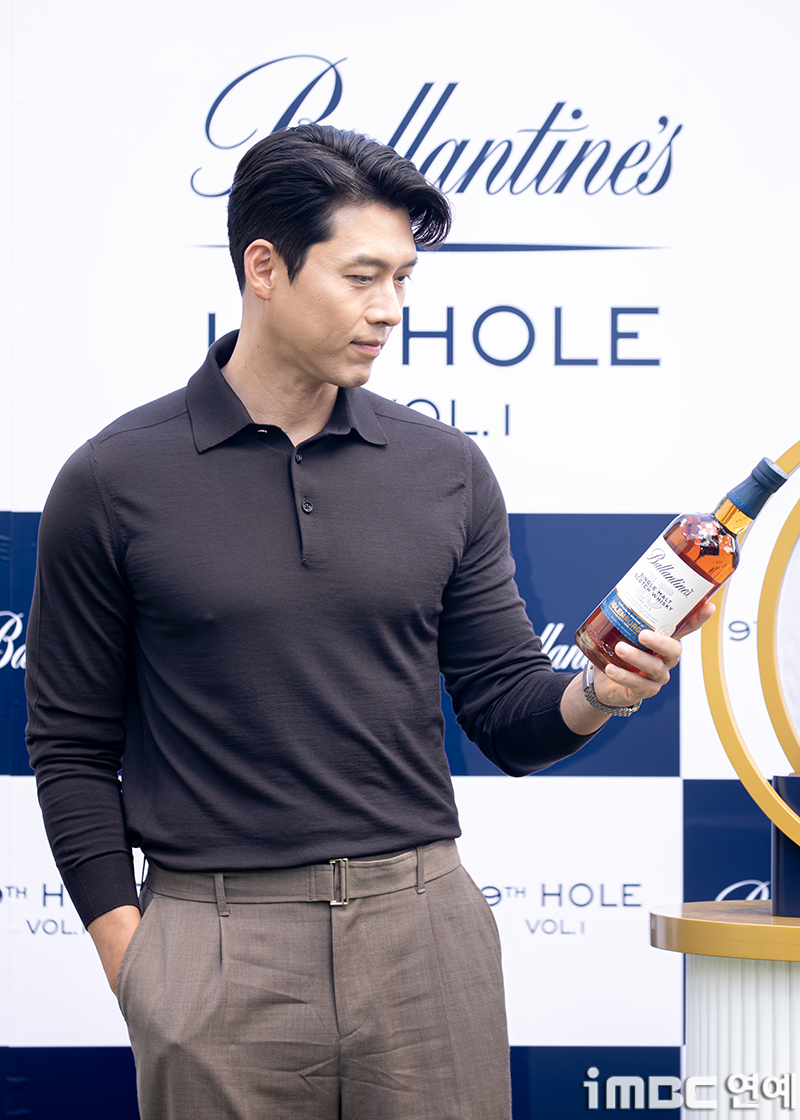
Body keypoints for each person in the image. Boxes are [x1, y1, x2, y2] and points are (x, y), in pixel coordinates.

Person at [26, 124, 711, 1120]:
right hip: (213, 945)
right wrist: (136, 961)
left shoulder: (444, 468)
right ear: (265, 268)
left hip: (425, 936)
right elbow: (71, 746)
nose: (388, 308)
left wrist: (597, 694)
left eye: (401, 279)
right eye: (360, 276)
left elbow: (503, 710)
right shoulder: (112, 478)